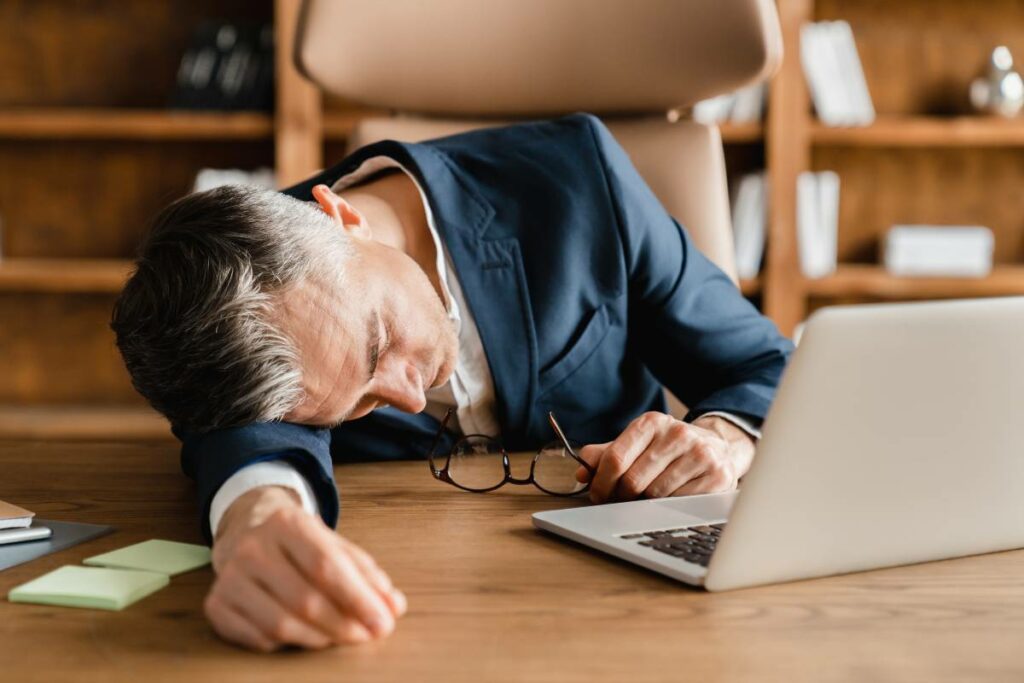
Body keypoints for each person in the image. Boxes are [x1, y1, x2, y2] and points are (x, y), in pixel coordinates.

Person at [111, 114, 793, 652]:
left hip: (649, 609)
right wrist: (257, 517)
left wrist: (725, 437)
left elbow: (766, 363)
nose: (407, 396)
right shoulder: (239, 311)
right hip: (431, 615)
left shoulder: (583, 179)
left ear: (340, 215)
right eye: (362, 404)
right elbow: (241, 440)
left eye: (377, 341)